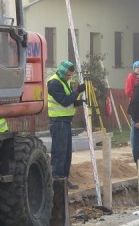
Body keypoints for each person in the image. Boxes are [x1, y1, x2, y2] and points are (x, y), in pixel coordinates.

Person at [47, 61, 85, 190]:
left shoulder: (65, 81)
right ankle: (57, 181)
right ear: (63, 73)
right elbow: (64, 101)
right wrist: (78, 91)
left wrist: (78, 102)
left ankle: (64, 179)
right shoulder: (54, 83)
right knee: (59, 152)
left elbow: (69, 100)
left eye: (71, 76)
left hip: (66, 121)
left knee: (67, 153)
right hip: (58, 122)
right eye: (68, 75)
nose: (70, 78)